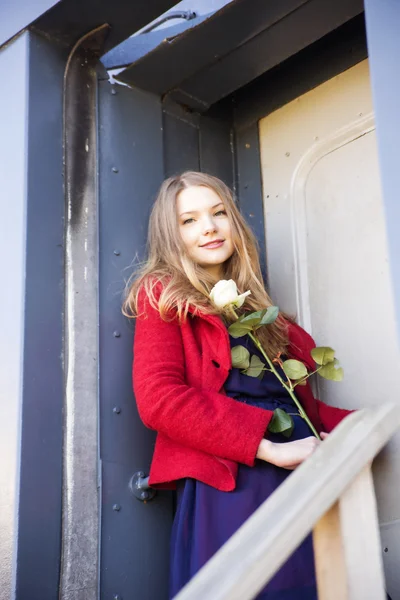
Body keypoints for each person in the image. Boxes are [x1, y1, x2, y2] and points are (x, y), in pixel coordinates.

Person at [123, 171, 352, 599]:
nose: (208, 227)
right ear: (170, 236)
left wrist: (370, 422)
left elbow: (304, 412)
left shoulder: (268, 317)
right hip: (233, 482)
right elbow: (159, 400)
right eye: (188, 220)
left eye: (218, 213)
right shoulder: (163, 295)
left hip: (304, 474)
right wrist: (270, 450)